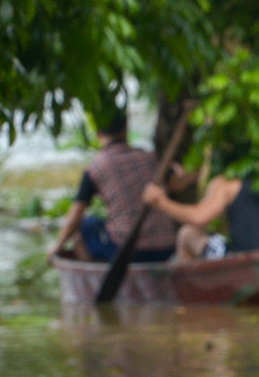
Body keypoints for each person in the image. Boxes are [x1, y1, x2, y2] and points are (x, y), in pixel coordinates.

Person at [49, 108, 184, 266]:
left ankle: (95, 279)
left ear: (98, 134)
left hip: (127, 252)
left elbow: (74, 218)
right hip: (167, 246)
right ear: (126, 130)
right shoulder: (150, 157)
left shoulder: (96, 167)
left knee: (83, 225)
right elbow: (175, 185)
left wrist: (56, 248)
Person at [139, 173, 259, 263]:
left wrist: (161, 202)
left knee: (188, 233)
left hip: (241, 258)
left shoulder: (227, 184)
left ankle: (189, 297)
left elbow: (199, 218)